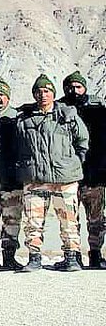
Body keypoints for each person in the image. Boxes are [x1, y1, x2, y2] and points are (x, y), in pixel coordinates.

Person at [16, 74, 89, 272]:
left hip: (64, 178)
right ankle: (34, 257)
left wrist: (72, 162)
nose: (43, 95)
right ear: (34, 94)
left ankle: (71, 258)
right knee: (33, 221)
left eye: (47, 91)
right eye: (38, 92)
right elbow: (18, 145)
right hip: (35, 178)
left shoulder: (67, 115)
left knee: (69, 220)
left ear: (53, 95)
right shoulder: (24, 119)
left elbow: (82, 141)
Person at [59, 71, 106, 267]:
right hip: (69, 175)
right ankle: (73, 254)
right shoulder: (59, 110)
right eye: (70, 87)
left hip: (95, 173)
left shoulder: (99, 110)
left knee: (96, 218)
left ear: (85, 88)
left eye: (78, 87)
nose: (74, 91)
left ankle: (95, 254)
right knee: (70, 219)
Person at [0, 80, 24, 271]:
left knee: (12, 221)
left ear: (8, 97)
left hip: (12, 179)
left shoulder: (17, 118)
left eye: (1, 95)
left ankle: (9, 256)